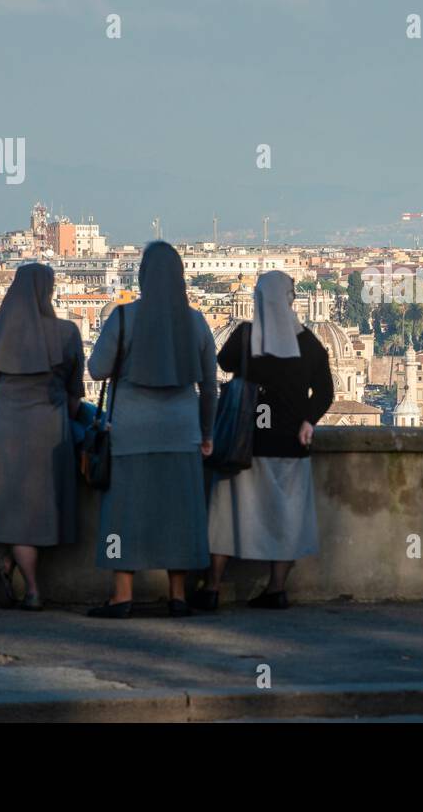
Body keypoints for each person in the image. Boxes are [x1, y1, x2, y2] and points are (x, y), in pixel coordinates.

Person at [86, 241, 217, 618]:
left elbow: (96, 370)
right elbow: (210, 386)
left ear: (142, 276)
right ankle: (177, 595)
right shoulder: (195, 322)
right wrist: (206, 432)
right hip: (181, 432)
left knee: (123, 515)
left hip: (130, 433)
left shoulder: (123, 318)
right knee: (180, 514)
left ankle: (122, 596)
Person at [0, 262, 84, 611]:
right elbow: (75, 394)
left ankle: (7, 566)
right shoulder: (68, 334)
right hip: (47, 425)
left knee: (15, 507)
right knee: (36, 511)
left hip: (2, 426)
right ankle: (33, 591)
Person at [202, 270, 333, 610]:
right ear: (291, 300)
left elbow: (223, 361)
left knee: (227, 515)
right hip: (290, 442)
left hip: (244, 440)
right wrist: (308, 421)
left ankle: (212, 588)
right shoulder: (310, 345)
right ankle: (276, 588)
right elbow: (325, 391)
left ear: (257, 301)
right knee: (286, 517)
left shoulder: (246, 336)